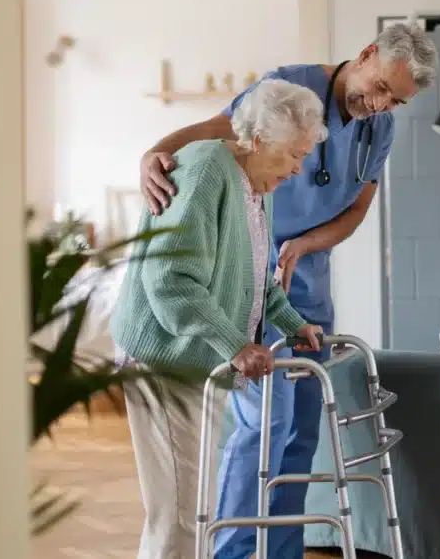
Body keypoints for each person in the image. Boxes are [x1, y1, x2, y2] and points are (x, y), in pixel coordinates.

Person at [139, 22, 439, 559]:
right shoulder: (290, 89)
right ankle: (233, 550)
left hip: (301, 280)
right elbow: (219, 130)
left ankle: (278, 550)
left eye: (396, 100)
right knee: (264, 424)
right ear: (366, 54)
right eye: (380, 88)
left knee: (301, 426)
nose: (382, 104)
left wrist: (305, 246)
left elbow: (358, 210)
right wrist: (154, 153)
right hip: (247, 267)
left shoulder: (378, 130)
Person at [111, 79, 329, 559]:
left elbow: (255, 276)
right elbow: (169, 279)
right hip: (163, 357)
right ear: (258, 139)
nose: (297, 169)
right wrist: (234, 343)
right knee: (181, 511)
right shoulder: (208, 169)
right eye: (293, 154)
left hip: (195, 355)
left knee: (196, 502)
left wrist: (292, 322)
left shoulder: (256, 184)